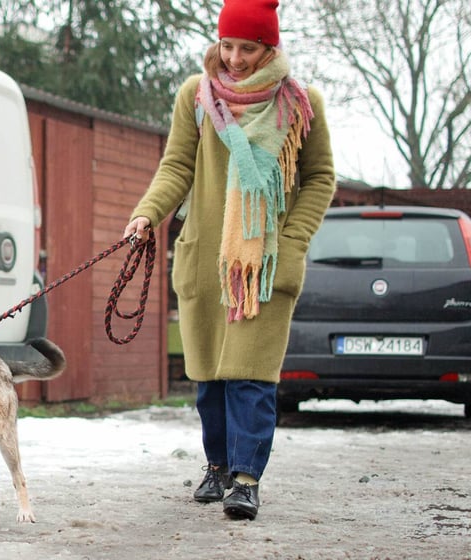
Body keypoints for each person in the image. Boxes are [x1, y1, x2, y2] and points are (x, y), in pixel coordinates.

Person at [123, 0, 335, 520]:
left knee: (252, 376)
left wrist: (292, 242)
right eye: (228, 45)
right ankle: (218, 466)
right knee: (210, 377)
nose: (235, 58)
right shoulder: (196, 96)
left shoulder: (301, 104)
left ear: (270, 48)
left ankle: (245, 479)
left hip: (262, 264)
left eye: (248, 47)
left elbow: (321, 179)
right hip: (206, 259)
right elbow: (176, 165)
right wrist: (148, 214)